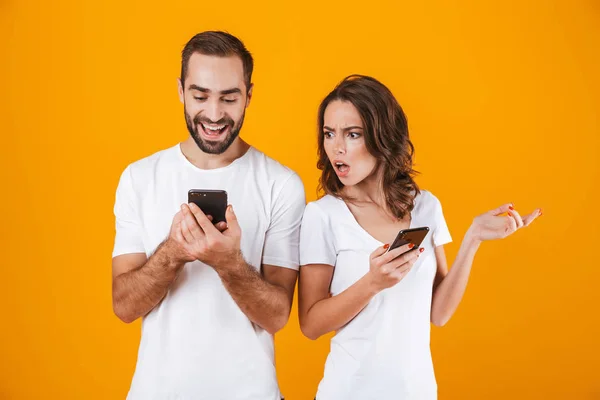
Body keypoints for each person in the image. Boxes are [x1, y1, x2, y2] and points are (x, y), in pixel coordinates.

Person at [298, 75, 541, 400]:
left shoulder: (425, 205)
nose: (336, 148)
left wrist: (473, 238)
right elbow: (311, 325)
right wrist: (372, 282)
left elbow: (438, 314)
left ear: (382, 137)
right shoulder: (323, 216)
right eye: (329, 134)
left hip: (418, 391)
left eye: (352, 134)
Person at [111, 31, 305, 400]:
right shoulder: (139, 178)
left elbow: (277, 316)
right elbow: (124, 306)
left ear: (249, 95)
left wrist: (228, 263)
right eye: (200, 96)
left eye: (229, 98)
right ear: (180, 91)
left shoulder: (281, 184)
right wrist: (173, 253)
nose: (214, 114)